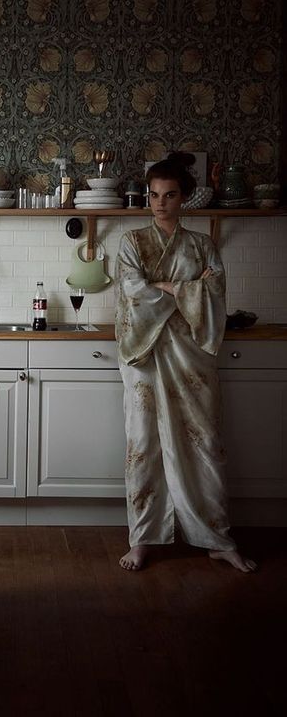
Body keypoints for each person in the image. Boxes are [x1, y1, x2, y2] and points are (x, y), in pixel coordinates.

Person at [115, 152, 256, 573]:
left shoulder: (202, 245)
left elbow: (213, 293)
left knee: (204, 442)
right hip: (143, 354)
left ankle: (215, 537)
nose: (160, 203)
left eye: (170, 195)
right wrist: (181, 289)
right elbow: (132, 291)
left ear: (185, 198)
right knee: (143, 444)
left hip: (190, 357)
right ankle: (142, 538)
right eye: (154, 195)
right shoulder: (131, 242)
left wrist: (167, 287)